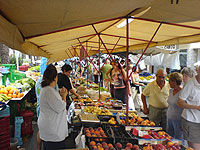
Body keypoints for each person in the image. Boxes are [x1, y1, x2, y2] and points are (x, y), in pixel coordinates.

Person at [38, 65, 68, 150]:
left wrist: (59, 93)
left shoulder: (47, 90)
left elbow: (53, 102)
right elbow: (60, 107)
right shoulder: (49, 91)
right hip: (53, 131)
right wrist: (64, 96)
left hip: (49, 127)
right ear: (55, 78)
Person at [177, 62, 200, 150]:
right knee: (195, 148)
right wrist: (197, 107)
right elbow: (180, 102)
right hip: (191, 120)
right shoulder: (190, 84)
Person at [166, 72, 183, 141]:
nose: (168, 83)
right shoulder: (171, 91)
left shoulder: (182, 93)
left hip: (178, 120)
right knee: (169, 140)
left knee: (178, 141)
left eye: (170, 81)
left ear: (174, 81)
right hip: (169, 119)